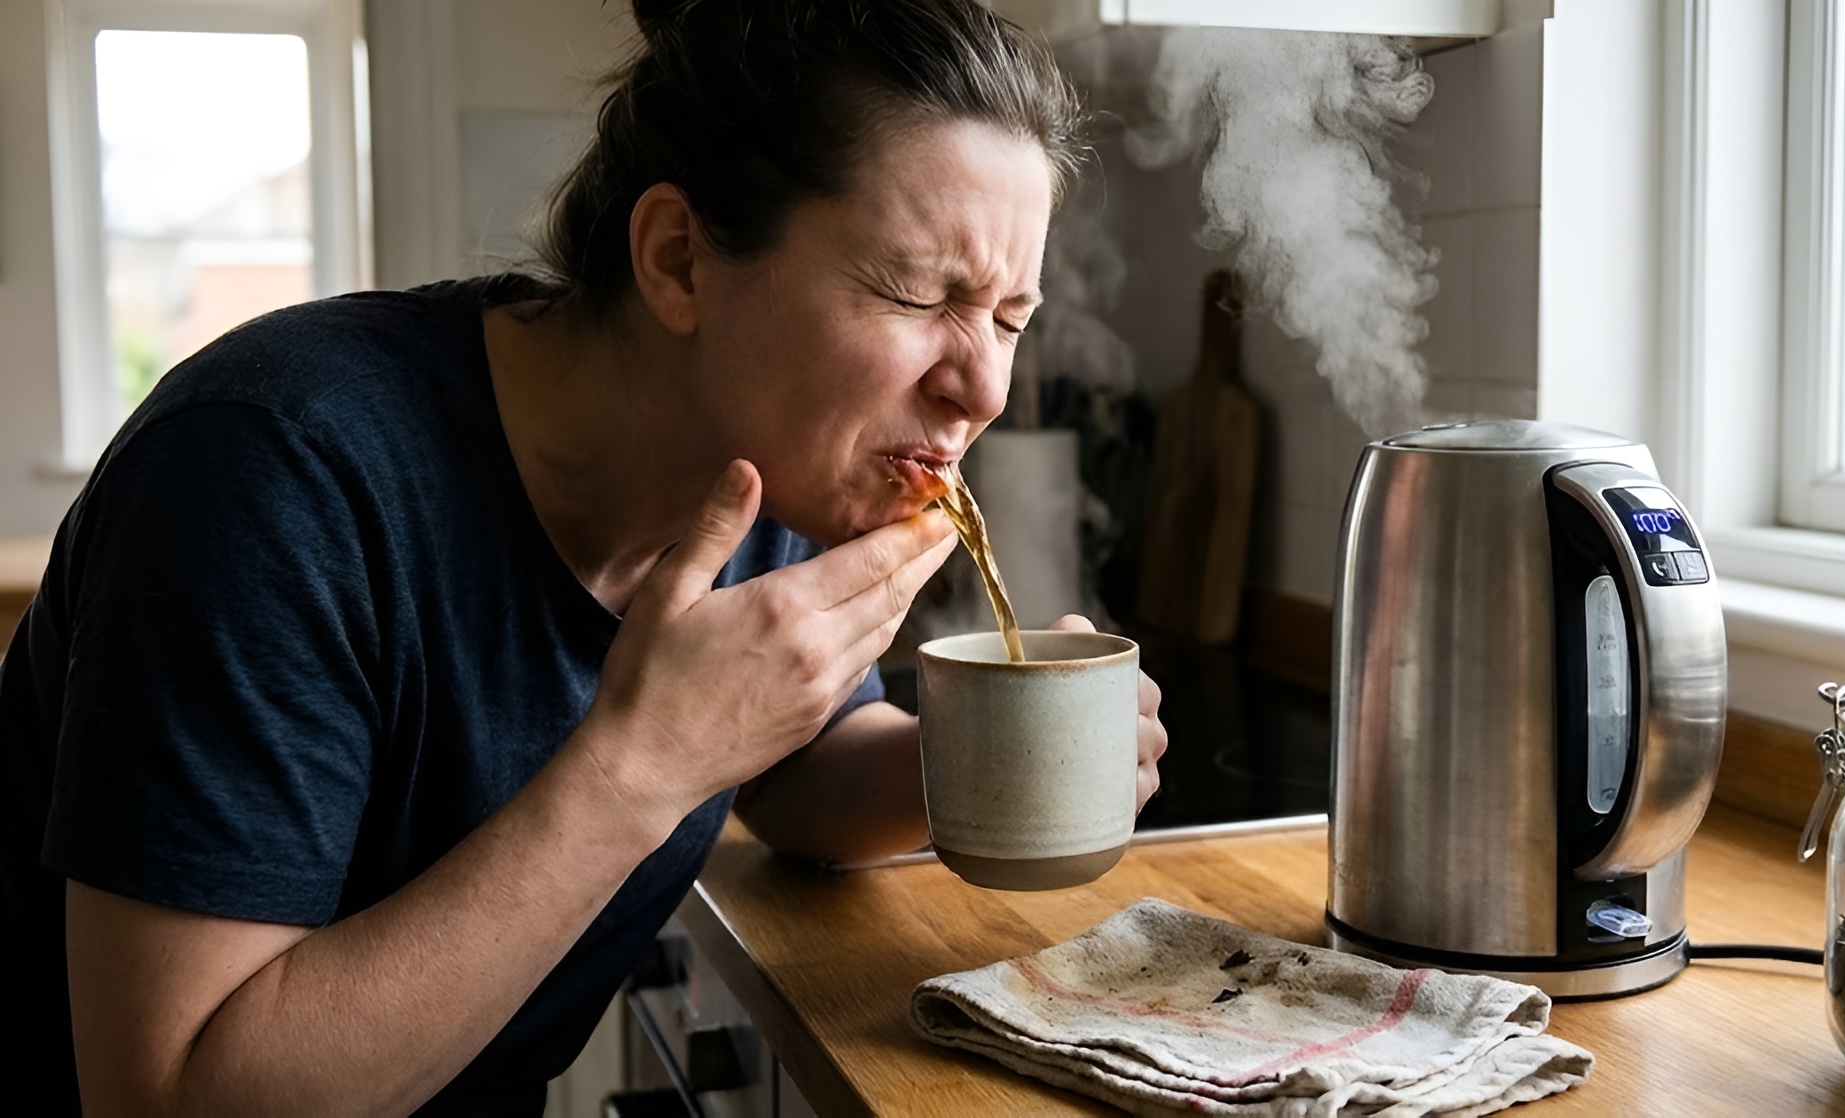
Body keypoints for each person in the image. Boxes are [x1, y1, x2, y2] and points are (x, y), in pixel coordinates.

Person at [0, 1, 1169, 1113]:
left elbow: (787, 768)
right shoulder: (270, 474)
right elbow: (169, 1093)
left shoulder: (770, 467)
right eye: (918, 292)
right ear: (676, 260)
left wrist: (988, 756)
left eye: (1009, 316)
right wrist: (638, 765)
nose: (984, 384)